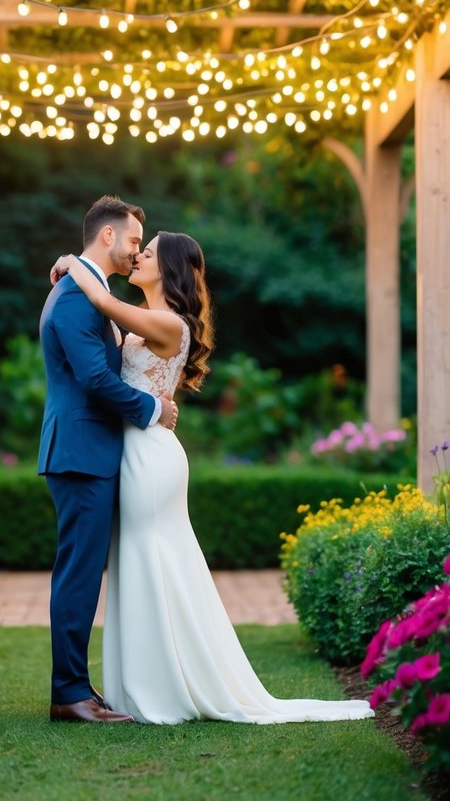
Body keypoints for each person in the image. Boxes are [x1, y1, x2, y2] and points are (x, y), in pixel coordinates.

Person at [51, 232, 374, 725]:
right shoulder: (143, 322)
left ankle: (160, 686)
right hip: (135, 447)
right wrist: (71, 263)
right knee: (139, 560)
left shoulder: (168, 323)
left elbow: (98, 296)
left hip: (150, 456)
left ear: (169, 269)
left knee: (152, 559)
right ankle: (142, 682)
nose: (138, 256)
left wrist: (71, 261)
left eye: (149, 252)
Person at [38, 195, 178, 724]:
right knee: (78, 575)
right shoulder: (75, 298)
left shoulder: (80, 289)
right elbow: (95, 380)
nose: (136, 251)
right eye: (135, 242)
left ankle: (76, 687)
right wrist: (153, 408)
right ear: (107, 237)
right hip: (80, 452)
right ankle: (69, 695)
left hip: (87, 450)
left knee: (82, 572)